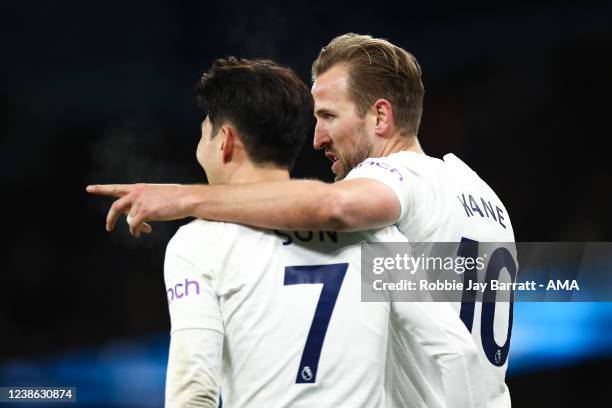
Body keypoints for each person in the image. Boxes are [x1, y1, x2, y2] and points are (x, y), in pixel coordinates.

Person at [88, 33, 512, 406]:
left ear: (381, 117)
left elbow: (333, 207)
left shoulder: (387, 187)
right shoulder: (478, 192)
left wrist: (184, 198)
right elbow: (459, 351)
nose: (317, 138)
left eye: (328, 116)